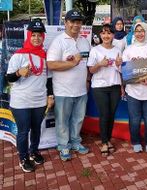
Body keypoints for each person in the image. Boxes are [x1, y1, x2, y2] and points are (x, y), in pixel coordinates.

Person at [6, 19, 54, 172]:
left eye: (39, 35)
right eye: (33, 35)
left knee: (36, 129)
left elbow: (48, 79)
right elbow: (8, 78)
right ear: (28, 36)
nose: (36, 38)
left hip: (39, 101)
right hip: (21, 102)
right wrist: (19, 73)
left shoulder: (44, 56)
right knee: (23, 131)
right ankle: (23, 157)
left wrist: (50, 96)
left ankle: (34, 151)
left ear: (43, 37)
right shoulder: (18, 56)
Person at [47, 10, 91, 161]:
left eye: (78, 22)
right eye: (72, 21)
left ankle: (75, 142)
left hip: (81, 89)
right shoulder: (58, 41)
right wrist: (72, 62)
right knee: (63, 121)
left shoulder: (84, 41)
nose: (76, 25)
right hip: (63, 90)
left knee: (78, 119)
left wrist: (87, 82)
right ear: (66, 23)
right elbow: (51, 64)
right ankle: (63, 146)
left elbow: (87, 64)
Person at [122, 22, 147, 153]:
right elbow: (124, 71)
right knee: (134, 119)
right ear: (134, 33)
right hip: (133, 91)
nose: (139, 33)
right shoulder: (128, 50)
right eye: (137, 31)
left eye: (142, 30)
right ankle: (136, 141)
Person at [87, 24, 122, 156]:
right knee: (104, 114)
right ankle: (104, 142)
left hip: (115, 86)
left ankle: (108, 140)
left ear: (113, 35)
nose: (106, 36)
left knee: (112, 115)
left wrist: (119, 64)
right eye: (103, 33)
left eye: (109, 33)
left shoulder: (118, 50)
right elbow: (91, 70)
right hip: (99, 87)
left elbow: (121, 70)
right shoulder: (95, 50)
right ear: (100, 36)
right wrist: (100, 64)